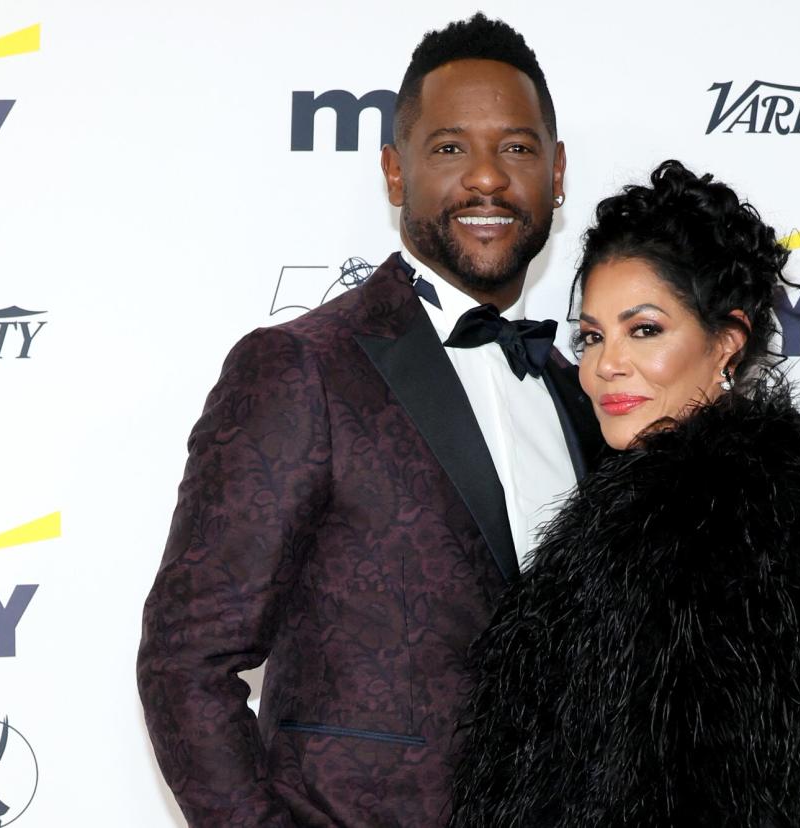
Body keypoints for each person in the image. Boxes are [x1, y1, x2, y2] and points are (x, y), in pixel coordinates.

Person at [136, 14, 601, 827]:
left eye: (518, 149)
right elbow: (185, 664)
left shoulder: (579, 393)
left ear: (557, 174)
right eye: (450, 148)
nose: (486, 179)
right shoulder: (302, 368)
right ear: (395, 172)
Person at [448, 160, 800, 827]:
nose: (605, 365)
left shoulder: (735, 523)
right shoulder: (638, 502)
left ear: (725, 342)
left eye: (645, 329)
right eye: (592, 336)